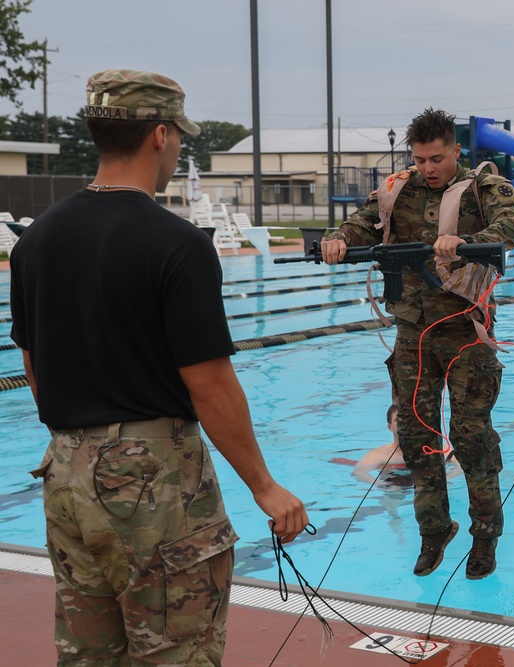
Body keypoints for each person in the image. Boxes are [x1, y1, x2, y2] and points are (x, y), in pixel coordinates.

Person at [8, 69, 309, 665]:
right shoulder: (175, 243)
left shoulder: (36, 241)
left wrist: (85, 452)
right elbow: (210, 384)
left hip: (65, 473)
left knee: (89, 655)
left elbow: (32, 361)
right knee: (177, 653)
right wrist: (264, 486)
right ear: (161, 136)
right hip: (155, 483)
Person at [321, 108, 514, 580]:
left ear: (457, 150)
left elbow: (512, 228)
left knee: (472, 439)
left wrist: (467, 240)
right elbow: (362, 224)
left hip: (464, 332)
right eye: (421, 159)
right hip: (413, 333)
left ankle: (485, 537)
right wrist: (336, 238)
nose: (429, 168)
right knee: (415, 438)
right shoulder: (398, 189)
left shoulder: (485, 188)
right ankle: (434, 530)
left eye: (438, 158)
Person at [349, 404, 463, 486]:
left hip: (425, 482)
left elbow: (461, 465)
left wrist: (446, 479)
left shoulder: (435, 450)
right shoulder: (380, 455)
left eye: (409, 421)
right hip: (393, 481)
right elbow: (358, 473)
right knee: (393, 495)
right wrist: (381, 485)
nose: (405, 425)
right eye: (399, 421)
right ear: (390, 427)